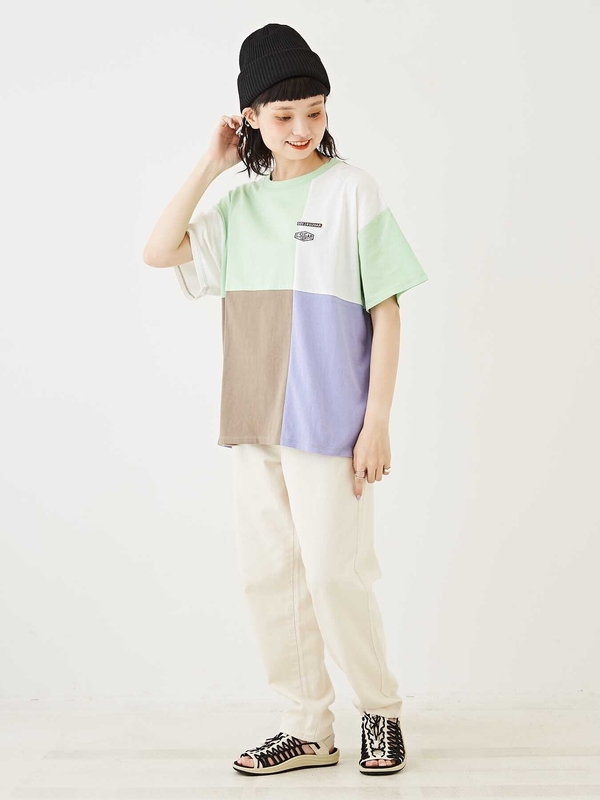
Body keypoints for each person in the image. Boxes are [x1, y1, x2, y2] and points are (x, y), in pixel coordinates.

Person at [143, 22, 428, 777]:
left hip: (330, 424)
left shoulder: (351, 190)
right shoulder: (238, 207)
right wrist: (211, 165)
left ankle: (379, 711)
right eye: (283, 115)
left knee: (336, 574)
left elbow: (387, 309)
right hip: (255, 419)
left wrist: (377, 420)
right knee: (270, 578)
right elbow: (159, 250)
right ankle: (306, 727)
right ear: (251, 119)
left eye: (315, 110)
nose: (303, 129)